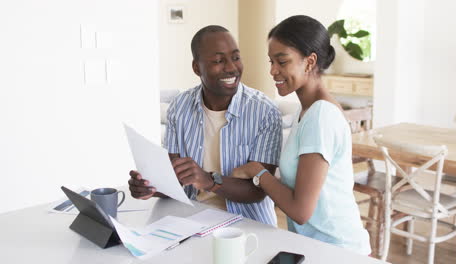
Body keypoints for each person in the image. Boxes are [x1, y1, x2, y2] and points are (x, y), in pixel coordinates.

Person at [232, 15, 371, 254]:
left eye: (282, 61)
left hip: (338, 251)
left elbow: (301, 210)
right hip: (317, 247)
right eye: (271, 61)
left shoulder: (320, 116)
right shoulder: (306, 111)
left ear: (310, 62)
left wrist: (258, 172)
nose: (273, 70)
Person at [128, 25, 282, 226]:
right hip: (192, 220)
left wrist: (209, 180)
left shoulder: (265, 112)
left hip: (249, 225)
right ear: (196, 67)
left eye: (235, 57)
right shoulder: (179, 107)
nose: (231, 67)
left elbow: (258, 191)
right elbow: (175, 180)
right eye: (218, 61)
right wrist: (150, 187)